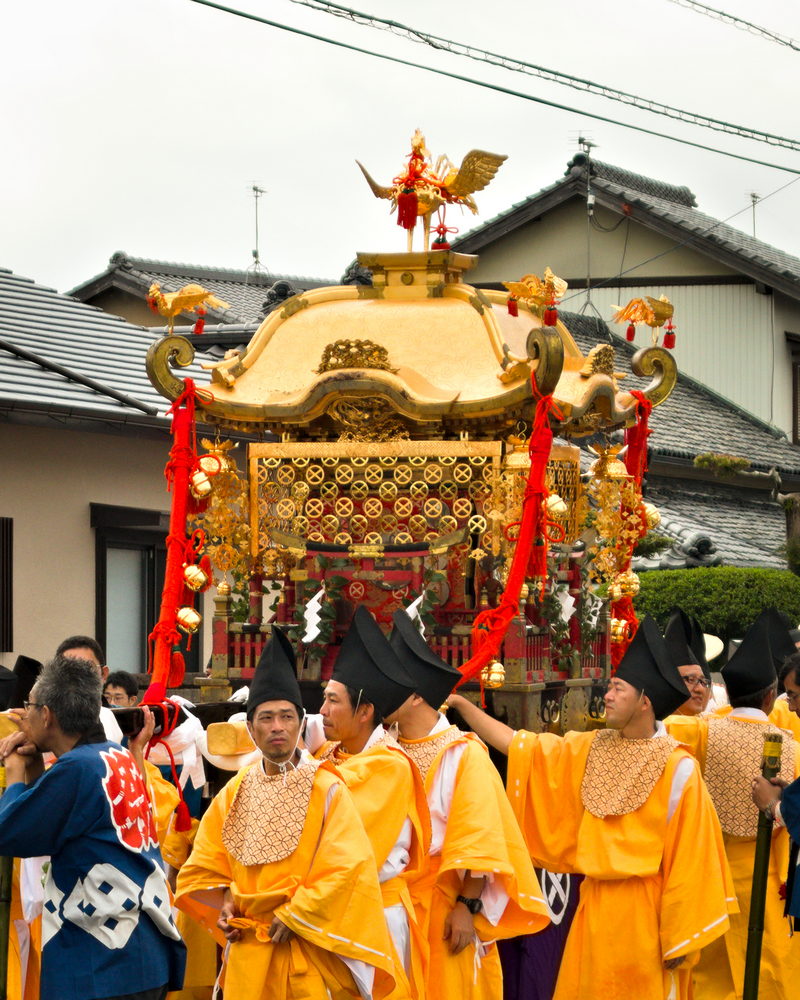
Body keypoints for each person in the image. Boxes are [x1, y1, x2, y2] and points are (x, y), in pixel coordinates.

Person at [449, 616, 736, 1000]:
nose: (609, 695)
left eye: (618, 688)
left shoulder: (678, 767)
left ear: (645, 701)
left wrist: (681, 936)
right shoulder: (592, 746)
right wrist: (462, 707)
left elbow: (693, 859)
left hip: (646, 920)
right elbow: (524, 749)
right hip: (593, 909)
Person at [175, 628, 398, 1000]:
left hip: (305, 951)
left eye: (285, 717)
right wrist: (225, 902)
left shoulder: (327, 789)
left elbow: (349, 867)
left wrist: (297, 913)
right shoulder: (237, 789)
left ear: (300, 724)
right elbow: (203, 865)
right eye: (265, 718)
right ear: (250, 727)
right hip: (246, 954)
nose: (276, 727)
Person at [385, 609, 550, 1000]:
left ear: (415, 696)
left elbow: (481, 836)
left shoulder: (463, 753)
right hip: (392, 903)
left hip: (445, 900)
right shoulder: (383, 747)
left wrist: (467, 905)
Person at [0, 655, 186, 1000]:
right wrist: (36, 764)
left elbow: (8, 831)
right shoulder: (113, 756)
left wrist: (13, 773)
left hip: (101, 962)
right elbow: (50, 825)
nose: (25, 715)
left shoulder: (78, 769)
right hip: (141, 955)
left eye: (30, 705)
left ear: (47, 715)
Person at [665, 608, 800, 1000]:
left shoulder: (700, 731)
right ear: (772, 697)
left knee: (709, 975)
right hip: (767, 877)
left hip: (709, 877)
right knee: (765, 970)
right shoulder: (791, 744)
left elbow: (657, 730)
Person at [302, 605, 431, 1000]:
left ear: (365, 712)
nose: (321, 711)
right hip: (327, 910)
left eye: (331, 701)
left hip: (374, 915)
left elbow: (334, 814)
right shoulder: (330, 756)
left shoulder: (388, 765)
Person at [56, 635, 122, 743]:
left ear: (104, 674)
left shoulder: (124, 719)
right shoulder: (44, 723)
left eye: (87, 667)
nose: (78, 676)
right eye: (69, 669)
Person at [664, 607, 714, 716]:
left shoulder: (713, 730)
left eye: (703, 682)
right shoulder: (646, 729)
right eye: (690, 680)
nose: (700, 689)